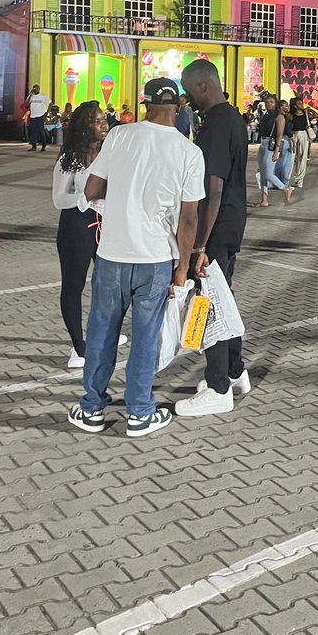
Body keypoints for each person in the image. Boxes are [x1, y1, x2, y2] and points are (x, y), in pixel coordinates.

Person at [69, 78, 205, 437]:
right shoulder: (189, 152)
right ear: (179, 106)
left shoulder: (119, 136)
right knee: (146, 337)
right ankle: (140, 413)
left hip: (113, 252)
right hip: (157, 258)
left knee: (101, 332)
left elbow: (92, 189)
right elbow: (189, 218)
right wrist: (182, 267)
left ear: (144, 105)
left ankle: (92, 409)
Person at [178, 59, 251, 417]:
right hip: (232, 220)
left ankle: (219, 387)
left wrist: (199, 245)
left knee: (210, 304)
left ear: (203, 86)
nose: (187, 99)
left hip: (216, 225)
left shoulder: (215, 126)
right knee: (223, 297)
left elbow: (213, 188)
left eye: (189, 91)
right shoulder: (233, 118)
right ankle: (235, 371)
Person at [52, 102, 125, 368]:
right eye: (97, 121)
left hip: (108, 222)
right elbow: (59, 198)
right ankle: (78, 347)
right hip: (77, 223)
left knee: (111, 284)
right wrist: (87, 195)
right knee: (74, 286)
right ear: (85, 126)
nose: (104, 124)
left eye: (104, 119)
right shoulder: (69, 158)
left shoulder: (112, 153)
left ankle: (105, 333)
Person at [256, 95, 292, 207]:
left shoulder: (279, 116)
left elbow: (279, 134)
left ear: (276, 103)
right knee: (262, 173)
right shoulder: (265, 116)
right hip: (262, 144)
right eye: (267, 102)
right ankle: (264, 200)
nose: (269, 104)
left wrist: (276, 151)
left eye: (271, 102)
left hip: (271, 146)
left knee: (268, 173)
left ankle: (285, 189)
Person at [289, 95, 313, 189]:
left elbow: (316, 115)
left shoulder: (305, 114)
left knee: (303, 157)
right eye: (299, 104)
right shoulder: (292, 115)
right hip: (294, 134)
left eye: (301, 103)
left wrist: (309, 110)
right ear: (295, 106)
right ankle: (288, 178)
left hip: (303, 134)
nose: (301, 105)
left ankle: (299, 179)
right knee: (292, 157)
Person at [26, 84, 50, 151]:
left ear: (39, 89)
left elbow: (50, 103)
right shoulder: (31, 97)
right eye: (34, 88)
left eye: (36, 88)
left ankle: (43, 146)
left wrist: (47, 113)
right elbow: (27, 104)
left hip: (40, 116)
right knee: (33, 131)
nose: (35, 89)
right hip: (33, 116)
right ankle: (34, 146)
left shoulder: (43, 97)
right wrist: (30, 95)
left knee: (41, 131)